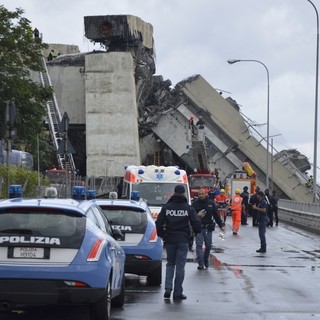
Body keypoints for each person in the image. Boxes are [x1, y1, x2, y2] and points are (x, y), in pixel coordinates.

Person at [155, 184, 201, 301]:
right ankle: (177, 292)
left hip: (170, 239)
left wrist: (162, 235)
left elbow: (158, 223)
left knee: (170, 264)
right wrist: (196, 233)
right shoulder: (188, 208)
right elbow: (196, 222)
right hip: (183, 240)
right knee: (180, 266)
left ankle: (168, 288)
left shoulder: (167, 207)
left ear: (174, 193)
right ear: (184, 193)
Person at [192, 188, 225, 270]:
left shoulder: (211, 203)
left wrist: (221, 225)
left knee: (208, 245)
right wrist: (197, 215)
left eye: (202, 194)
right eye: (199, 194)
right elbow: (190, 215)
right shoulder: (195, 204)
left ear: (206, 194)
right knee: (199, 245)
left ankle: (206, 259)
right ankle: (200, 263)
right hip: (199, 227)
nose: (201, 195)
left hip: (208, 228)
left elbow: (216, 215)